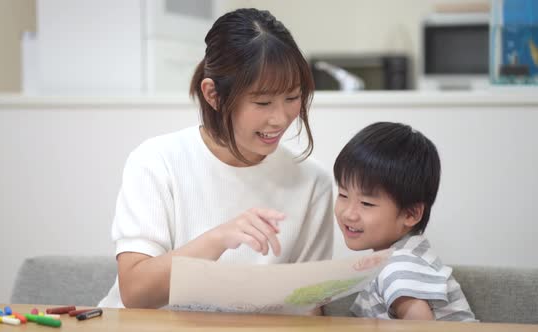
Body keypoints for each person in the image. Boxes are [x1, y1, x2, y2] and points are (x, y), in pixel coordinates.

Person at [98, 8, 334, 309]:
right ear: (213, 95)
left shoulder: (313, 183)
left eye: (292, 98)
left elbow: (307, 308)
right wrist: (219, 238)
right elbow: (136, 292)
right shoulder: (156, 161)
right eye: (262, 102)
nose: (281, 118)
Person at [333, 122, 476, 321]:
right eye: (343, 194)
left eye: (366, 203)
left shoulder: (399, 267)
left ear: (410, 214)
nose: (349, 213)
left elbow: (420, 327)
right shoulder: (398, 259)